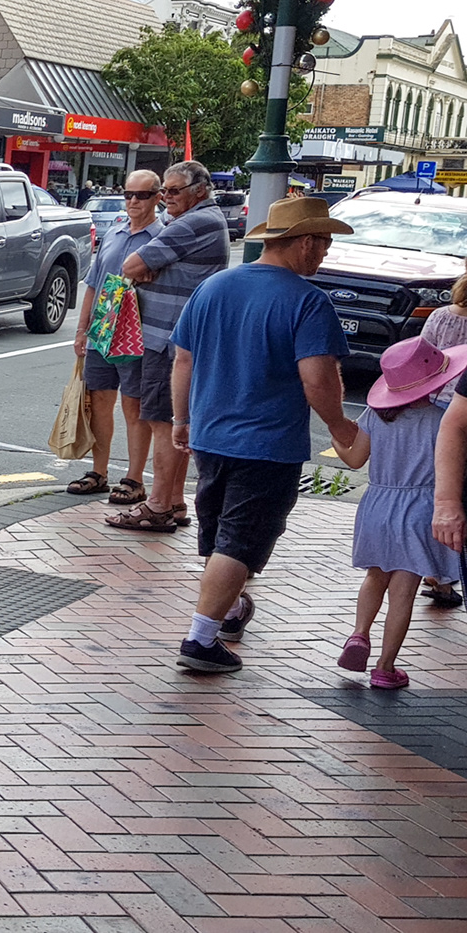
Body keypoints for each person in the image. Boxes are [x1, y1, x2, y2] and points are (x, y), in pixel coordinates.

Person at [168, 195, 357, 673]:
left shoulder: (214, 287)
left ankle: (230, 610)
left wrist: (181, 419)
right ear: (305, 242)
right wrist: (340, 427)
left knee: (220, 535)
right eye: (325, 243)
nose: (326, 253)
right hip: (268, 445)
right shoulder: (308, 301)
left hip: (210, 436)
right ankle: (200, 640)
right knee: (240, 541)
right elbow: (318, 380)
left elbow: (184, 359)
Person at [330, 337, 467, 689]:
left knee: (374, 577)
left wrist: (337, 442)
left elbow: (355, 459)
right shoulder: (441, 419)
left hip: (377, 505)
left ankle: (359, 634)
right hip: (419, 509)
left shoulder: (374, 417)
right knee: (403, 592)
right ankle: (385, 667)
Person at [108, 160, 228, 533]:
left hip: (167, 339)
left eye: (173, 191)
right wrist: (153, 267)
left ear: (200, 190)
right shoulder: (194, 220)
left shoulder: (195, 223)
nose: (165, 198)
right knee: (175, 422)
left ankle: (158, 505)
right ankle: (174, 501)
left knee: (164, 422)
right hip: (175, 337)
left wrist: (150, 268)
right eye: (164, 191)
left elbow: (131, 265)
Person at [66, 169, 160, 505]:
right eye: (128, 194)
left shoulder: (162, 238)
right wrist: (82, 330)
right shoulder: (115, 233)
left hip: (136, 334)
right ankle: (99, 472)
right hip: (102, 332)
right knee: (98, 404)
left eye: (142, 195)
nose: (133, 201)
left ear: (157, 197)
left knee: (134, 406)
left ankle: (134, 478)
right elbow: (93, 284)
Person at [415, 272, 467, 606]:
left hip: (436, 408)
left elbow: (420, 359)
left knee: (436, 491)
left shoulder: (439, 316)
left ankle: (433, 571)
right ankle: (444, 577)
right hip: (460, 413)